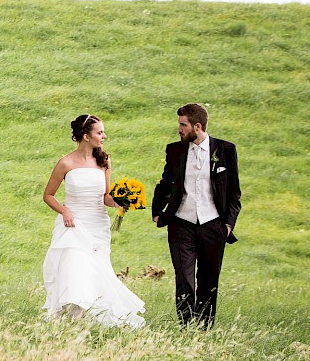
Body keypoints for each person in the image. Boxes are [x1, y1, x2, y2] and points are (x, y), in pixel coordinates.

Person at [42, 114, 145, 327]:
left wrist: (119, 201)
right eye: (99, 132)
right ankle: (71, 318)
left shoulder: (104, 161)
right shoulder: (65, 163)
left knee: (95, 271)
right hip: (73, 225)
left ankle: (95, 318)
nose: (104, 136)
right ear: (86, 136)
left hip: (97, 224)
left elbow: (105, 196)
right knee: (75, 268)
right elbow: (48, 195)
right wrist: (65, 212)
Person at [152, 103, 241, 328]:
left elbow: (234, 193)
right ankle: (186, 328)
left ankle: (204, 330)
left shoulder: (225, 150)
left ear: (197, 126)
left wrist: (228, 224)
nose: (179, 129)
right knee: (184, 279)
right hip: (181, 223)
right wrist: (157, 212)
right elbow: (165, 183)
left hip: (214, 226)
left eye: (183, 125)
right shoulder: (175, 150)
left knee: (209, 281)